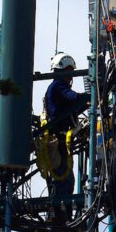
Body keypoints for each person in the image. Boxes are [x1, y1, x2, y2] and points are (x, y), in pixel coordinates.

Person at [42, 52, 90, 220]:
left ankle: (61, 215)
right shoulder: (58, 87)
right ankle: (59, 217)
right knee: (63, 179)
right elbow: (73, 98)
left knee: (66, 180)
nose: (71, 76)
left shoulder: (56, 88)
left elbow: (72, 108)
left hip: (58, 140)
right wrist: (89, 96)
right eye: (69, 71)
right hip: (57, 139)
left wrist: (86, 103)